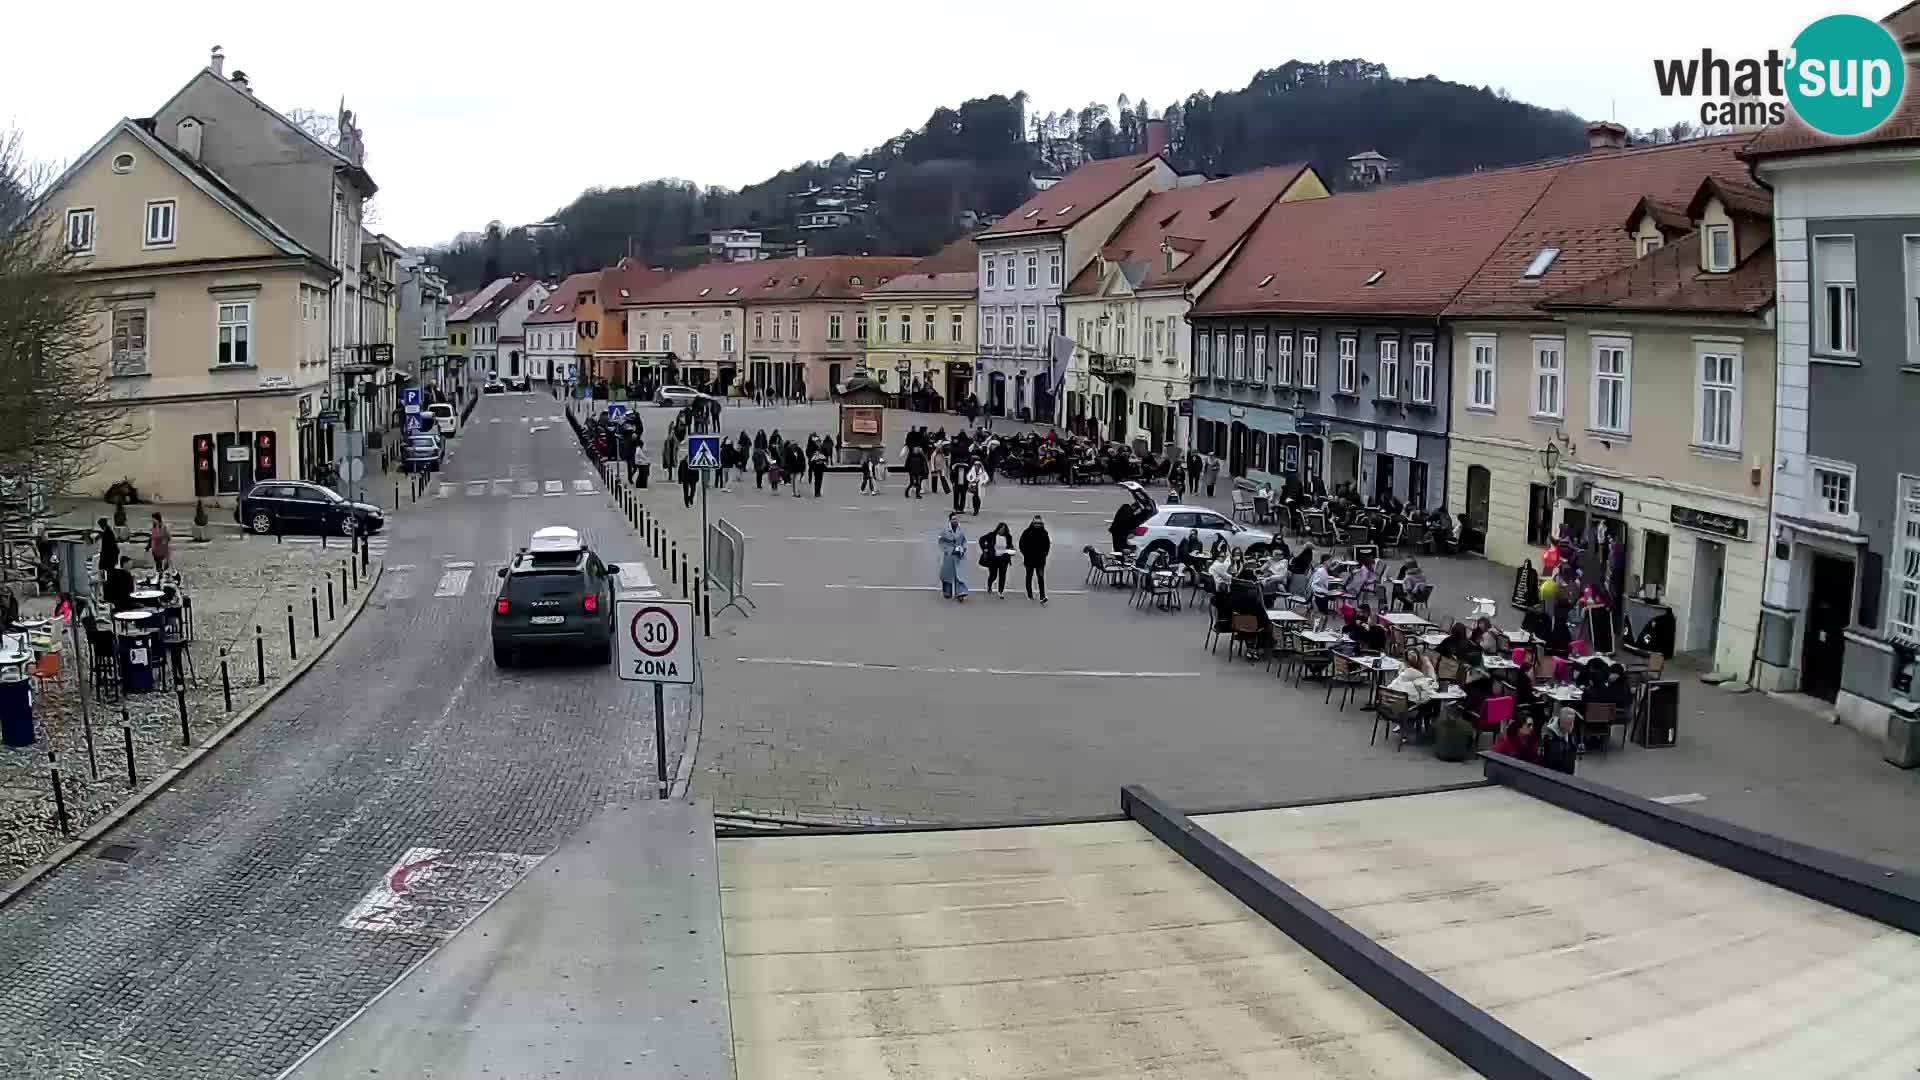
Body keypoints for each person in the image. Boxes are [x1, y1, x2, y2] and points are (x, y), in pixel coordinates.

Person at [938, 513, 971, 601]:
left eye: (956, 519)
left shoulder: (960, 530)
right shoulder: (945, 530)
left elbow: (964, 541)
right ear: (950, 520)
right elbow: (941, 543)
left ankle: (960, 592)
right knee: (947, 574)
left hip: (958, 556)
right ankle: (947, 591)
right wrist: (951, 549)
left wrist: (963, 549)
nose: (955, 521)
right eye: (953, 519)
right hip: (949, 555)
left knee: (959, 574)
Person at [1019, 516, 1051, 603]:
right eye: (1036, 523)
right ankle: (1030, 594)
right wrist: (1026, 554)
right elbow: (1021, 544)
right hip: (1029, 560)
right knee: (1029, 577)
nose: (1037, 525)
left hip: (1040, 560)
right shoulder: (1026, 532)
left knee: (1040, 578)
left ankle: (1042, 596)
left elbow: (1047, 545)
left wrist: (1045, 554)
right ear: (1033, 523)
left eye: (1039, 524)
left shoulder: (1044, 533)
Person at [1540, 707, 1580, 774]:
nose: (1570, 727)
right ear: (1560, 720)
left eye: (1571, 723)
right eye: (1567, 724)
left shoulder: (1572, 729)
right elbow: (1552, 761)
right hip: (1554, 771)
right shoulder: (1549, 735)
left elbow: (1574, 753)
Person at [980, 522, 1014, 597]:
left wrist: (1011, 550)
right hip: (993, 558)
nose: (1002, 531)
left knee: (1003, 575)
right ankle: (989, 585)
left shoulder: (1008, 537)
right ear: (998, 529)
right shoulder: (992, 535)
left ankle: (1000, 591)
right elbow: (981, 539)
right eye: (1000, 529)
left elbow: (1010, 545)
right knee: (993, 575)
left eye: (1003, 530)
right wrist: (984, 548)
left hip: (1004, 559)